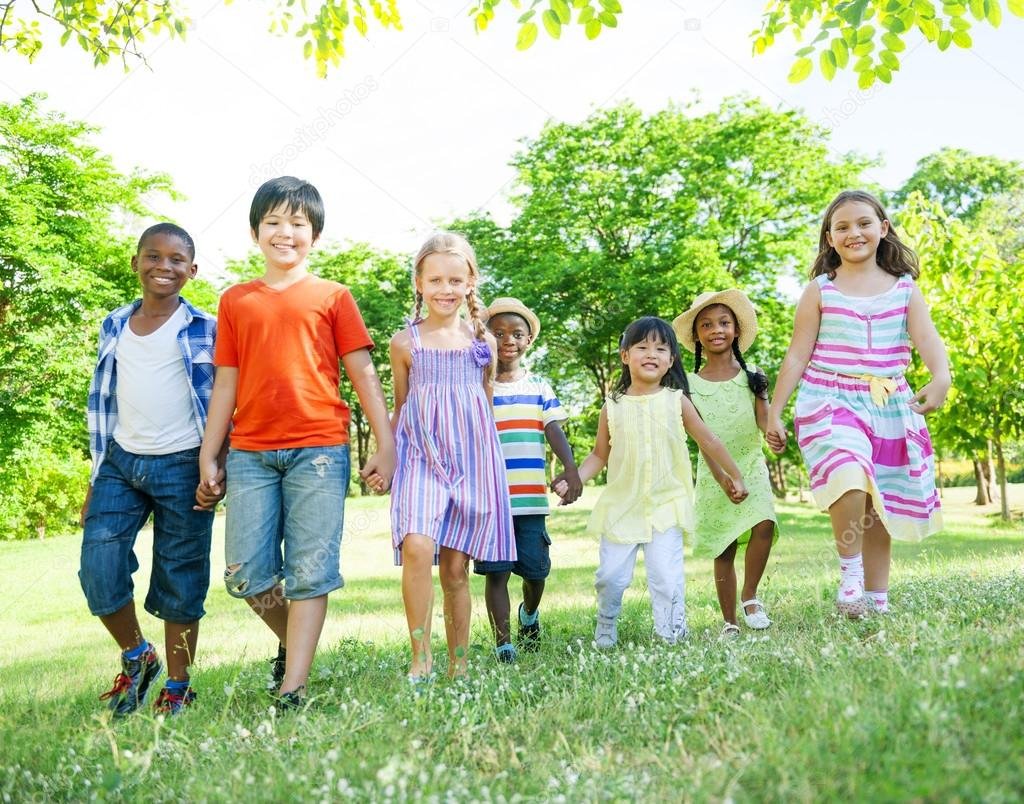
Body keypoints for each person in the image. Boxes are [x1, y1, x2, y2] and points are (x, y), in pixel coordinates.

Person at [198, 176, 395, 708]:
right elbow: (226, 380)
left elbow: (363, 372)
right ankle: (296, 644)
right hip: (252, 454)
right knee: (246, 576)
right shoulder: (236, 300)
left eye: (298, 223)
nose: (285, 233)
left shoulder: (334, 297)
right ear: (255, 232)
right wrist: (208, 452)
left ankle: (294, 685)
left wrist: (386, 441)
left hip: (319, 451)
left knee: (309, 571)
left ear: (316, 234)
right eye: (274, 222)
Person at [766, 190, 949, 617]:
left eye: (864, 223)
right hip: (830, 398)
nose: (854, 233)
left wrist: (941, 376)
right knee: (848, 473)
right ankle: (850, 573)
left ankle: (876, 599)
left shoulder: (905, 290)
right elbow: (797, 354)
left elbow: (927, 339)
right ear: (829, 238)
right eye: (842, 227)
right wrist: (775, 410)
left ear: (883, 228)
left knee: (878, 502)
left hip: (889, 404)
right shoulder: (820, 291)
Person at [80, 223, 218, 715]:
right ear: (137, 262)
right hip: (120, 461)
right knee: (98, 565)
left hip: (183, 464)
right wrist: (96, 476)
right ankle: (138, 655)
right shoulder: (114, 324)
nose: (165, 266)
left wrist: (214, 464)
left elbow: (224, 401)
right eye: (154, 256)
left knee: (180, 577)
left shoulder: (207, 327)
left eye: (177, 259)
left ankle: (178, 684)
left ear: (192, 270)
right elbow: (103, 402)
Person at [556, 317, 747, 647]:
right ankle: (606, 624)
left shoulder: (677, 401)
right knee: (611, 578)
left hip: (665, 505)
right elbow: (599, 456)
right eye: (642, 346)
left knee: (666, 578)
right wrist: (575, 481)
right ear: (625, 355)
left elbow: (709, 441)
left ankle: (671, 633)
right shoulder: (612, 407)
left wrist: (735, 473)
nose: (651, 353)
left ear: (671, 360)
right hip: (622, 507)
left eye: (661, 348)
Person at [389, 232, 515, 680]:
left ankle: (458, 663)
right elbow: (402, 406)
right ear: (419, 283)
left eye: (455, 279)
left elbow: (483, 401)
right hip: (421, 454)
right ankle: (419, 656)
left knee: (457, 569)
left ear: (470, 283)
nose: (446, 288)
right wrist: (385, 457)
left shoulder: (484, 343)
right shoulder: (405, 343)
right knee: (418, 545)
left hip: (472, 459)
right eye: (436, 279)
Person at [473, 297, 582, 663]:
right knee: (496, 573)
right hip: (491, 501)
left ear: (528, 340)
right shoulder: (478, 386)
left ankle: (529, 614)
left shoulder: (539, 387)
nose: (507, 340)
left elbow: (553, 429)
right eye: (498, 332)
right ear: (483, 337)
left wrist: (571, 469)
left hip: (530, 501)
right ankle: (504, 643)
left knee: (536, 572)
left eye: (517, 333)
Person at [674, 290, 779, 639]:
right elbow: (702, 438)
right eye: (706, 325)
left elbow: (763, 420)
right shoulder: (689, 384)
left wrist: (774, 432)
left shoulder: (753, 375)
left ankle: (750, 595)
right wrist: (721, 477)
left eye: (723, 322)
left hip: (751, 463)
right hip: (713, 472)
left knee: (764, 524)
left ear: (735, 329)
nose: (715, 329)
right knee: (724, 544)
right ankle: (730, 620)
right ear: (697, 336)